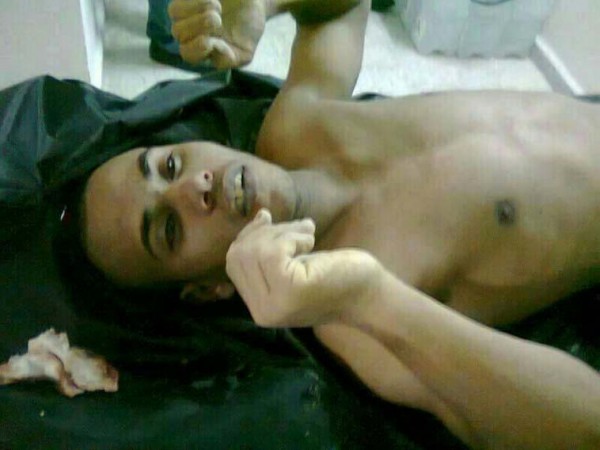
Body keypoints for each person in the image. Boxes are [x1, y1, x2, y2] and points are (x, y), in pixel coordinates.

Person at [80, 0, 600, 448]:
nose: (194, 186)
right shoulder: (356, 330)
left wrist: (263, 5)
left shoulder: (293, 127)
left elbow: (345, 8)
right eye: (169, 229)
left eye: (169, 165)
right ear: (207, 289)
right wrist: (369, 297)